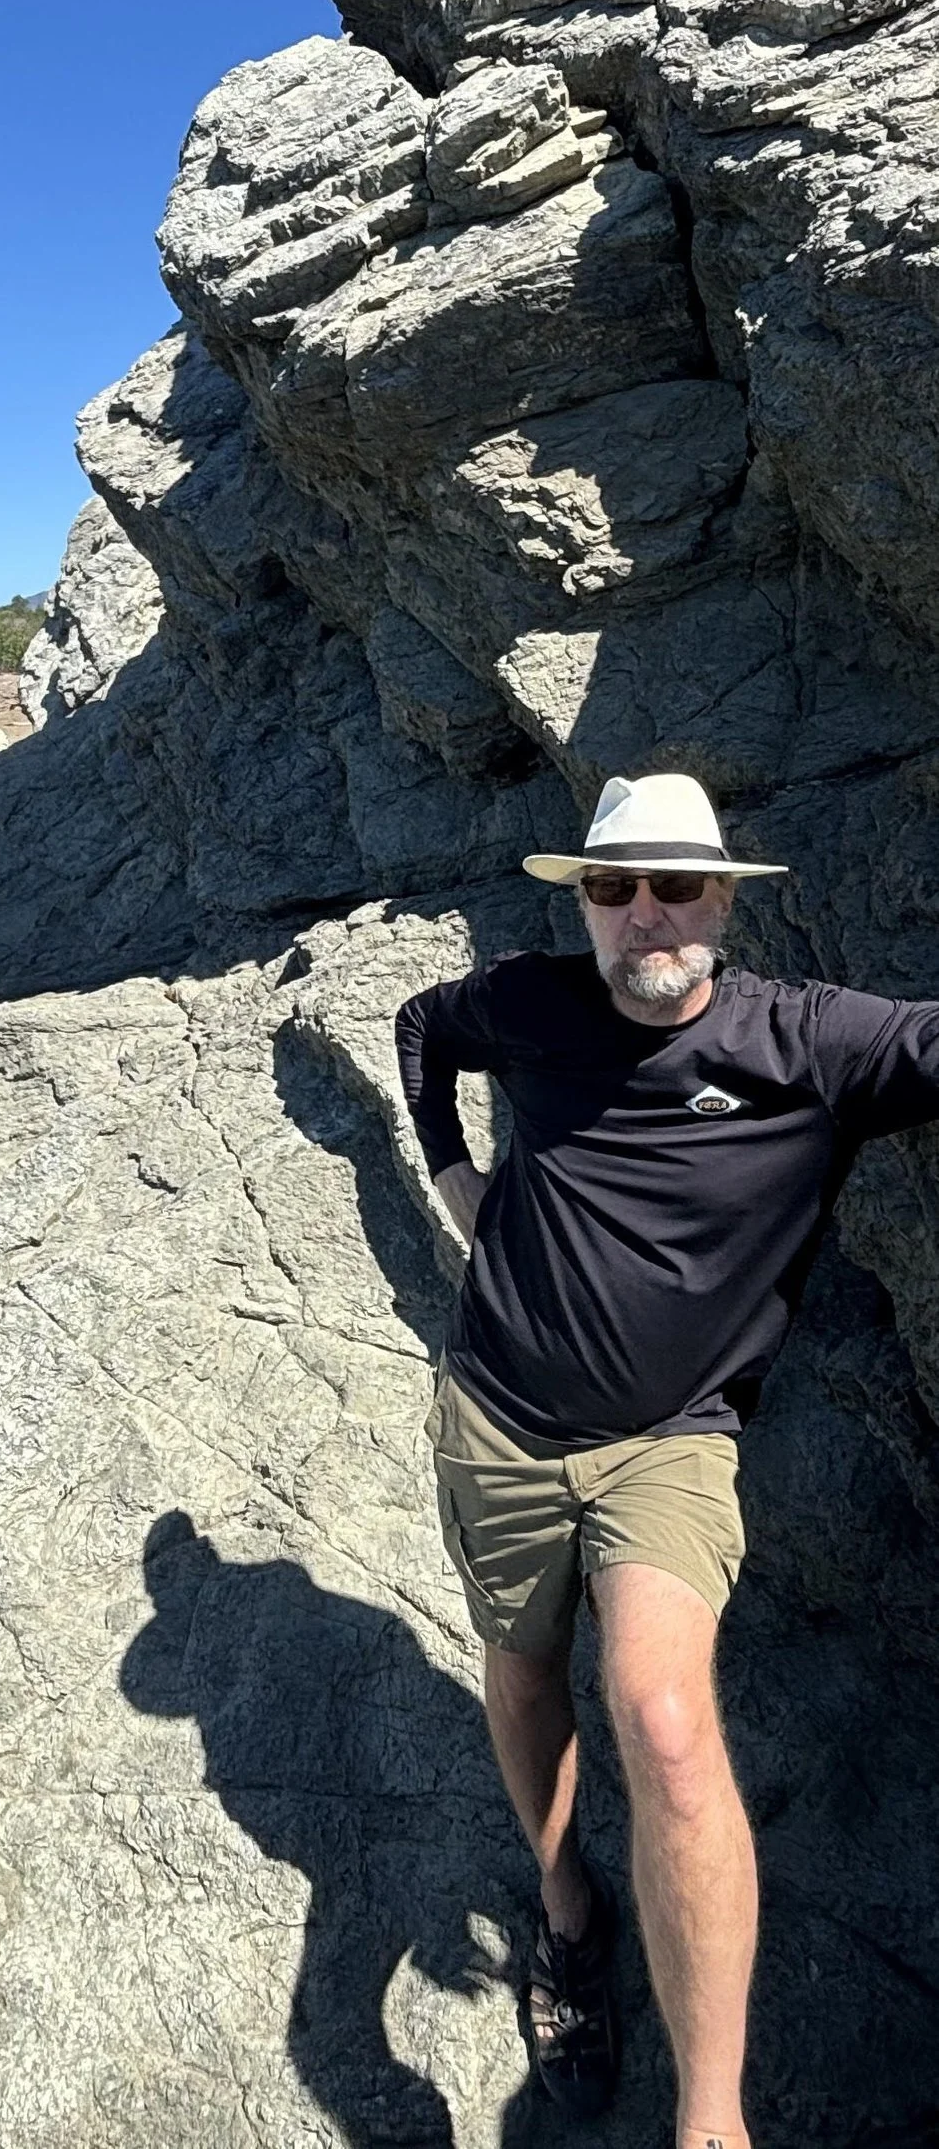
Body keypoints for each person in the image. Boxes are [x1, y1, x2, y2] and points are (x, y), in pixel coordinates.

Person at [393, 771, 939, 2148]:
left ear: (725, 901)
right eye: (613, 887)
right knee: (521, 1672)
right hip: (498, 1415)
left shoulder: (808, 1045)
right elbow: (420, 1030)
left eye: (675, 885)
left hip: (667, 1443)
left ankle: (709, 2120)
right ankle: (570, 1904)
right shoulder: (526, 1001)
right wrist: (455, 1179)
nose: (646, 915)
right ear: (582, 902)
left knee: (671, 1727)